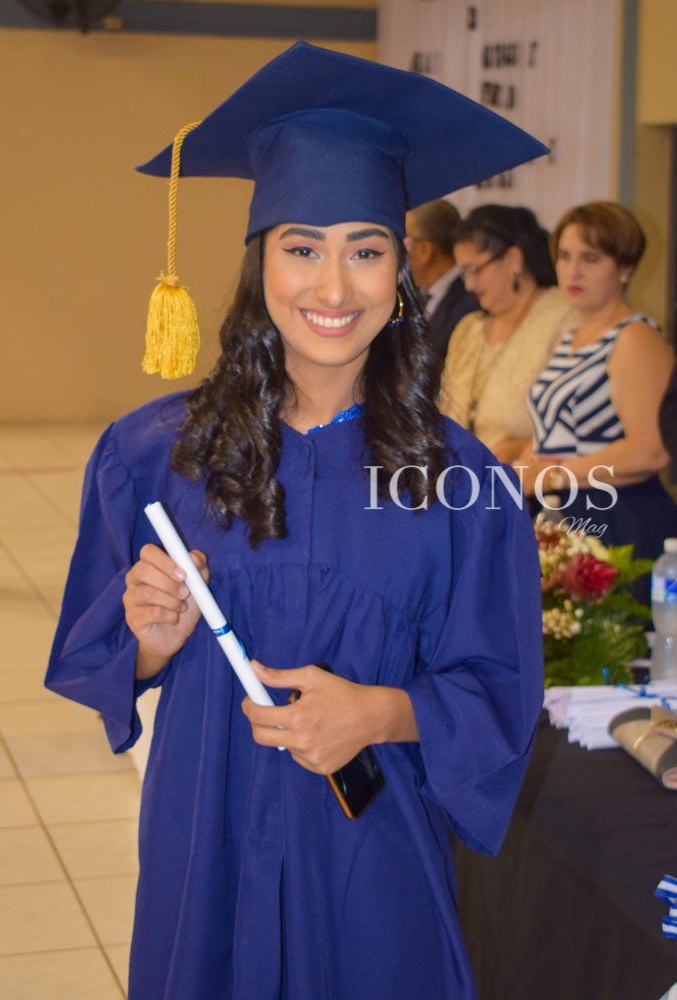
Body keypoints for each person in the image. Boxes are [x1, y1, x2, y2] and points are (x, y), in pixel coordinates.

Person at [45, 42, 544, 1000]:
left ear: (402, 269)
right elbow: (98, 650)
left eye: (365, 250)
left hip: (371, 844)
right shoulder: (156, 454)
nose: (331, 287)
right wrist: (149, 642)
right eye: (301, 248)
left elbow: (497, 688)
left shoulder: (457, 479)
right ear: (259, 259)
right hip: (208, 830)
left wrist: (379, 711)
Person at [518, 201, 677, 599]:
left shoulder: (635, 337)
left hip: (620, 520)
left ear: (624, 267)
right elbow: (550, 434)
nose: (572, 271)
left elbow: (651, 450)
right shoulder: (570, 337)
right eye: (565, 256)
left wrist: (553, 475)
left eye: (590, 258)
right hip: (560, 517)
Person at [440, 204, 573, 464]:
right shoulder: (469, 329)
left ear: (513, 259)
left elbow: (583, 420)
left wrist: (528, 446)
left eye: (474, 270)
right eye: (463, 273)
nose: (468, 284)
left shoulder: (565, 319)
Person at [405, 199, 479, 361]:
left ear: (425, 250)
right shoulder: (409, 295)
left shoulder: (471, 301)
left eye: (404, 242)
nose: (396, 251)